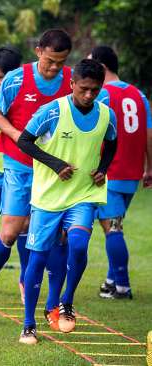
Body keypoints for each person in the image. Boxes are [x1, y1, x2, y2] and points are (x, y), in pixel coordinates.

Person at [16, 59, 117, 344]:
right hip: (48, 198)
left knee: (79, 244)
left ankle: (67, 302)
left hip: (84, 194)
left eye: (94, 90)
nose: (88, 95)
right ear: (72, 84)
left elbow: (112, 141)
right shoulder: (51, 111)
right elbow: (24, 141)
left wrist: (104, 168)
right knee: (37, 258)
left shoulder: (107, 114)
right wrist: (56, 163)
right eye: (83, 89)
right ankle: (28, 324)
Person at [0, 30, 73, 316]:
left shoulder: (71, 80)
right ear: (38, 51)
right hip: (19, 165)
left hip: (55, 169)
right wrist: (18, 135)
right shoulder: (16, 78)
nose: (55, 67)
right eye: (50, 60)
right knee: (9, 231)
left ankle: (53, 306)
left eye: (61, 61)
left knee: (59, 236)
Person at [89, 46, 152, 300]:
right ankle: (111, 280)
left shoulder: (101, 94)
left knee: (112, 228)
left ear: (102, 68)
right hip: (132, 172)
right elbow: (148, 134)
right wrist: (150, 167)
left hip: (109, 173)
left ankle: (122, 287)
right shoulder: (138, 95)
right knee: (115, 225)